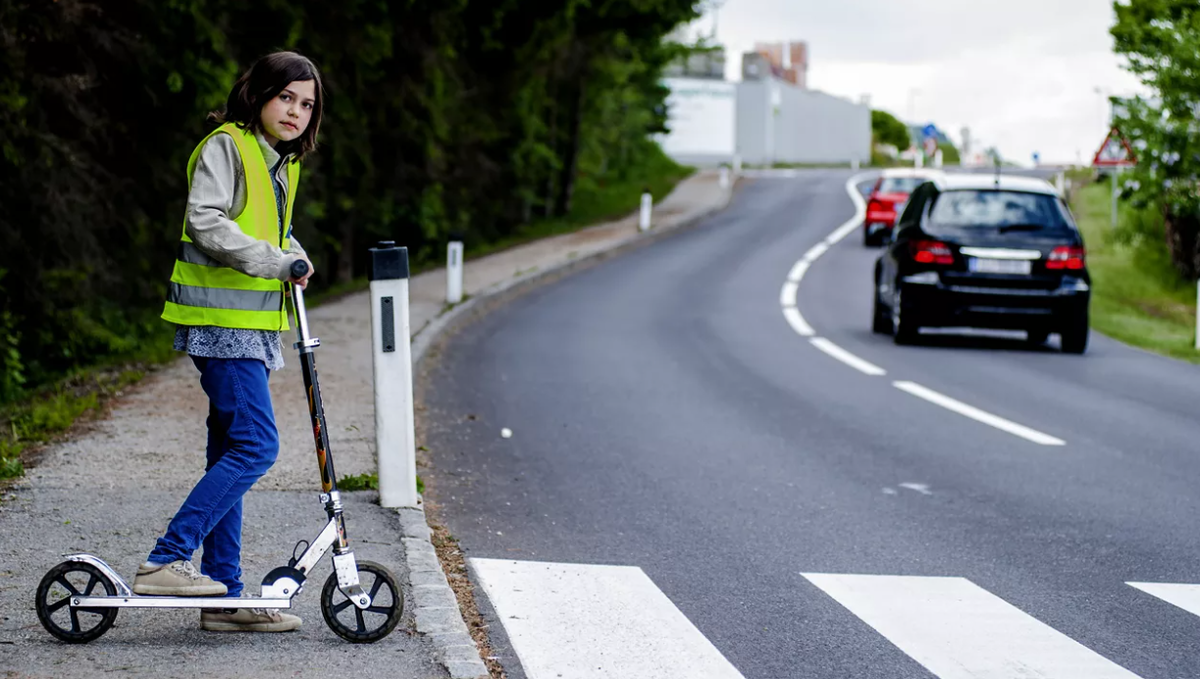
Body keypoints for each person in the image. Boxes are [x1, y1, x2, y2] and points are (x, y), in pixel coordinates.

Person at [132, 51, 322, 633]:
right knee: (256, 447)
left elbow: (271, 230)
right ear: (260, 93)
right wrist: (275, 260)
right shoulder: (227, 145)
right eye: (286, 97)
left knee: (229, 451)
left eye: (307, 104)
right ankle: (166, 559)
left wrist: (296, 253)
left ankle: (224, 595)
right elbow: (207, 221)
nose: (295, 111)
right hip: (222, 324)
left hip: (252, 328)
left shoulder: (280, 163)